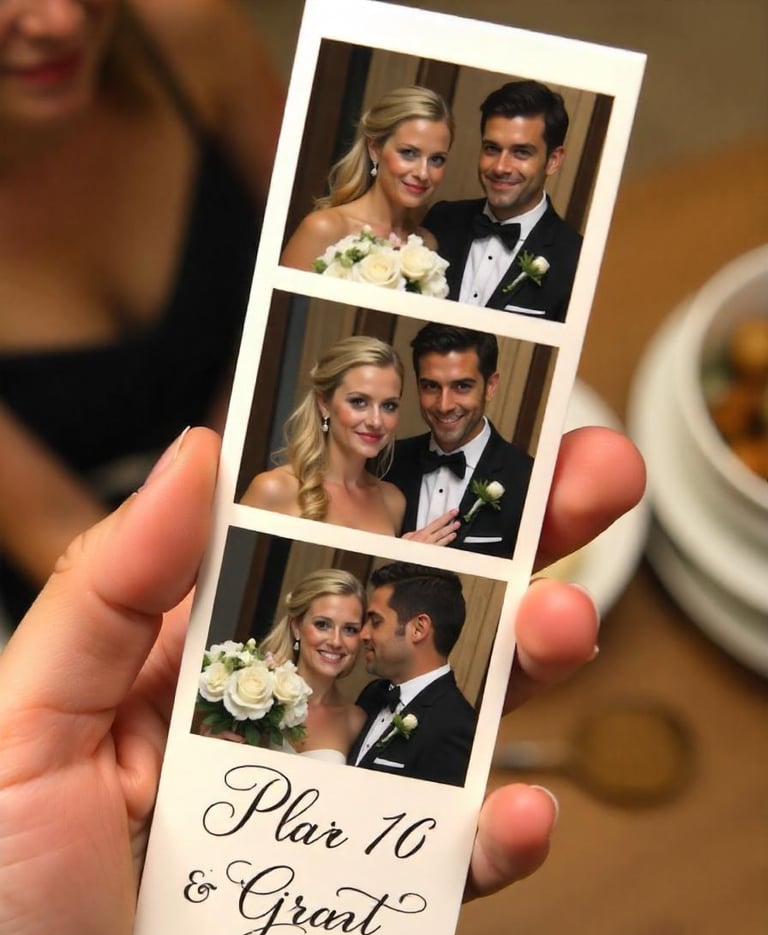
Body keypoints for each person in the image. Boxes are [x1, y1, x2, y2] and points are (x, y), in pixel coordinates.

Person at [0, 424, 646, 935]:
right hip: (190, 893)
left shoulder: (371, 710)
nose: (340, 639)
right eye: (325, 623)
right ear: (297, 625)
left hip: (318, 913)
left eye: (352, 624)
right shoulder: (222, 699)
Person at [0, 0, 284, 626]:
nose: (62, 22)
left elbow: (326, 256)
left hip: (294, 448)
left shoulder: (190, 35)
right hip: (87, 594)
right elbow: (51, 526)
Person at [240, 335, 458, 544]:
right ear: (324, 403)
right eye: (359, 402)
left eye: (388, 406)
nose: (375, 421)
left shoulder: (393, 501)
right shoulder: (273, 489)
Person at [423, 79, 583, 321]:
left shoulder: (575, 258)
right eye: (491, 149)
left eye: (521, 152)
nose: (500, 167)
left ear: (553, 160)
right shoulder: (442, 219)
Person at [391, 323, 533, 557]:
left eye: (462, 386)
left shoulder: (528, 481)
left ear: (491, 386)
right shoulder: (385, 464)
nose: (444, 405)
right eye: (431, 386)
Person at [280, 85, 453, 271]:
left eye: (436, 159)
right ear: (374, 149)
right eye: (409, 153)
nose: (423, 173)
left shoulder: (426, 245)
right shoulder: (324, 229)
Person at [348, 562, 477, 787]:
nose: (363, 634)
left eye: (376, 622)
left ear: (418, 629)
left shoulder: (457, 726)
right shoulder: (373, 694)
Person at [259, 568, 367, 763]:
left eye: (350, 629)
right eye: (322, 625)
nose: (336, 641)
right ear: (296, 627)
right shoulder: (253, 690)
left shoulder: (355, 721)